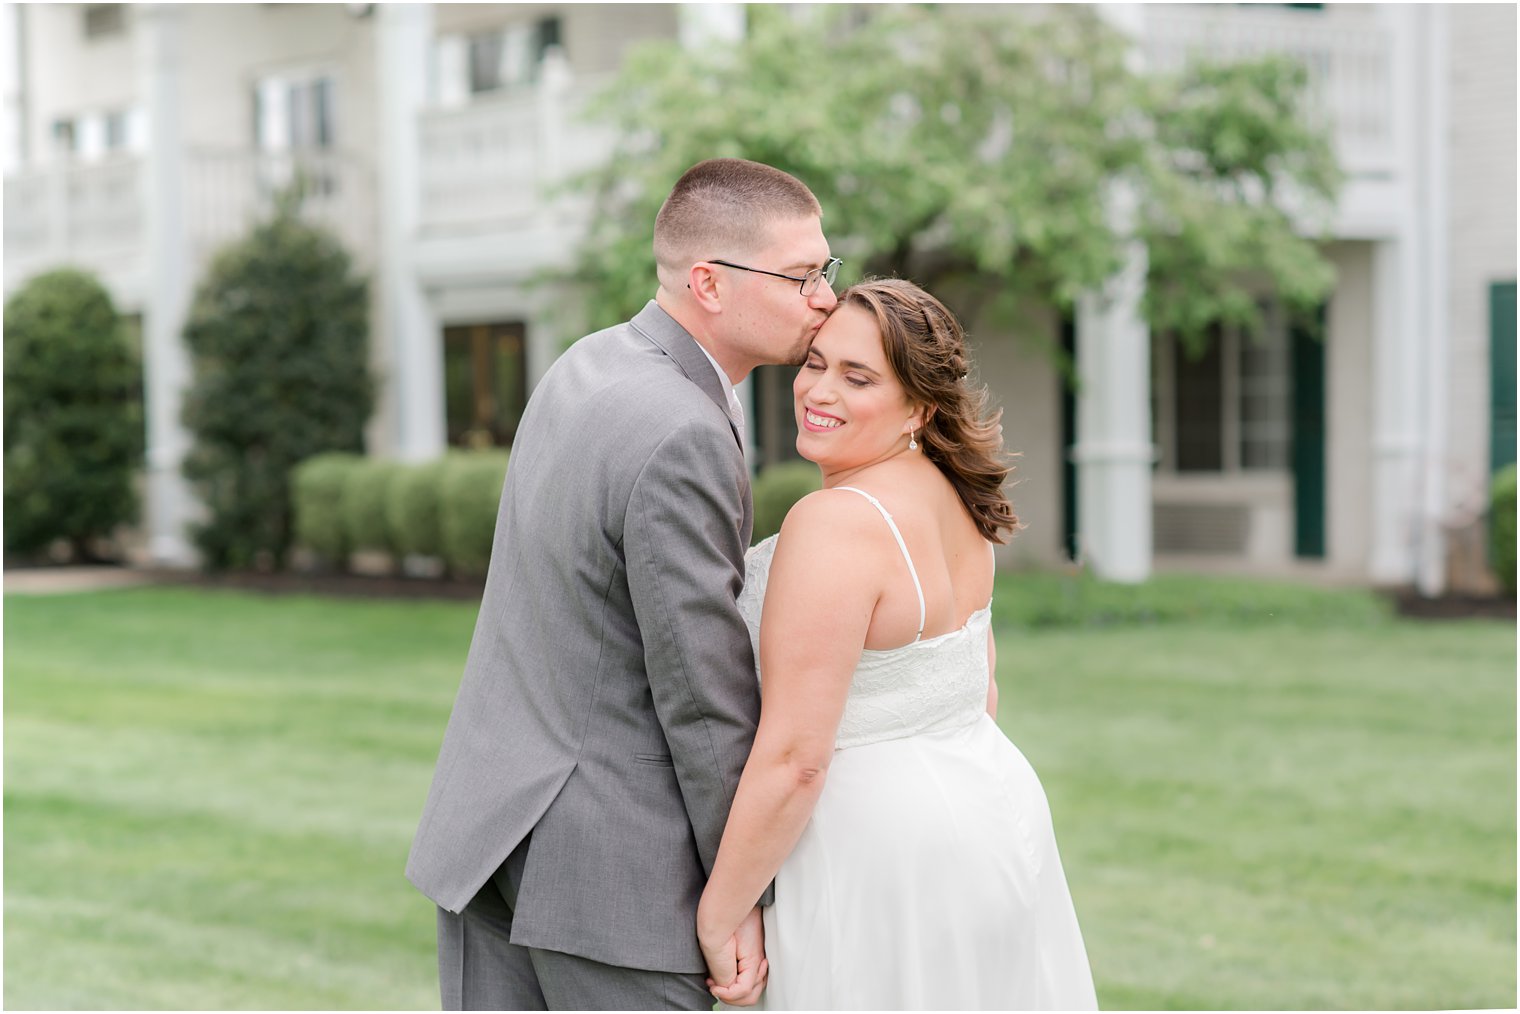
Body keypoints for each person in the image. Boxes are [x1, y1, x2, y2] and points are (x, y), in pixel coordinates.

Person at [405, 157, 840, 1010]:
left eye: (826, 270)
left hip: (494, 826)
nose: (823, 297)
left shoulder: (589, 361)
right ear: (709, 283)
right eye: (801, 277)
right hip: (610, 871)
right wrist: (740, 892)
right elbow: (701, 696)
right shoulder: (683, 429)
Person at [696, 278, 1099, 1010]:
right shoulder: (956, 499)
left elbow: (795, 759)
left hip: (877, 848)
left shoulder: (837, 521)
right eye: (815, 363)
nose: (819, 390)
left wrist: (722, 913)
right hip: (988, 809)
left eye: (858, 377)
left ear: (919, 405)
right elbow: (978, 688)